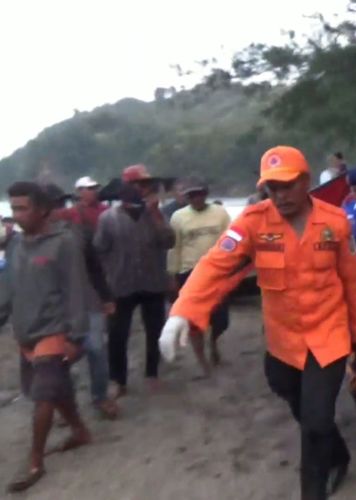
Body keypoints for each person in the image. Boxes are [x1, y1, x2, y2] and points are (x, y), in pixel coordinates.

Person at [159, 146, 356, 500]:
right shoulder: (253, 222)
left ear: (306, 182)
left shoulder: (335, 223)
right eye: (272, 188)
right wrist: (183, 311)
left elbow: (354, 283)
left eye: (287, 185)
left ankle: (313, 490)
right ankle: (339, 453)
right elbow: (216, 265)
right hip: (283, 340)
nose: (280, 195)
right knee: (291, 396)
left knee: (315, 421)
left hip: (328, 335)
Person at [0, 182, 91, 493]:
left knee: (42, 395)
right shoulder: (13, 245)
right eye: (13, 208)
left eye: (23, 208)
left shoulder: (63, 243)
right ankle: (79, 431)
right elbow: (8, 288)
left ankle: (35, 461)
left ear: (42, 210)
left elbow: (76, 291)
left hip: (54, 330)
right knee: (54, 390)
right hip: (25, 329)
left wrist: (77, 336)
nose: (16, 214)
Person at [94, 167, 175, 397]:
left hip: (152, 282)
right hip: (120, 285)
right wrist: (104, 286)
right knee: (117, 335)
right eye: (138, 184)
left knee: (155, 331)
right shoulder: (108, 218)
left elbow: (170, 241)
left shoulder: (156, 214)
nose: (144, 188)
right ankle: (118, 380)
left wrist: (157, 216)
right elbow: (99, 250)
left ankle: (152, 373)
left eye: (146, 184)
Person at [45, 183, 120, 419]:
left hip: (87, 300)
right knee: (59, 358)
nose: (58, 210)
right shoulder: (32, 240)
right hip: (54, 308)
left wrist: (106, 297)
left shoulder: (80, 232)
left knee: (97, 349)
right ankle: (67, 407)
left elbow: (95, 267)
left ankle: (100, 397)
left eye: (60, 204)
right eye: (52, 205)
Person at [168, 177, 231, 373]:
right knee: (194, 320)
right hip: (190, 273)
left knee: (221, 318)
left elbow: (230, 240)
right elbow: (174, 247)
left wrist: (233, 265)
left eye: (199, 194)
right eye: (191, 195)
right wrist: (172, 274)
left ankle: (214, 343)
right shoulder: (178, 217)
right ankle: (202, 361)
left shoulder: (220, 213)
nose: (196, 198)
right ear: (186, 197)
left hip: (217, 271)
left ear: (206, 194)